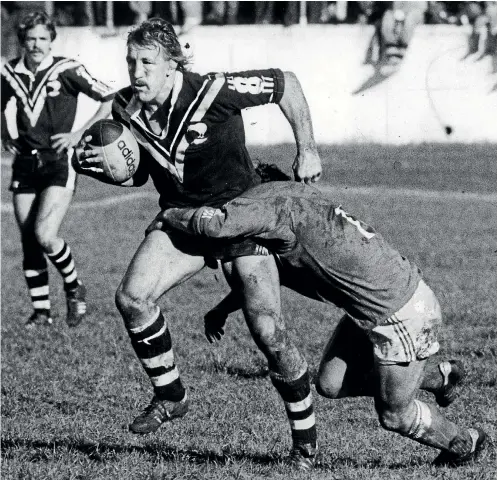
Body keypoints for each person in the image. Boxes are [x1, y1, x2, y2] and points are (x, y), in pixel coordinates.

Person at [73, 18, 322, 470]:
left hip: (241, 219)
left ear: (172, 65)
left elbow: (288, 83)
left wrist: (307, 147)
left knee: (268, 332)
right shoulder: (127, 110)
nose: (136, 71)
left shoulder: (214, 91)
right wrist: (104, 167)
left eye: (147, 62)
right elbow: (141, 174)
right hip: (184, 222)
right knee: (132, 298)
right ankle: (170, 395)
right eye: (131, 61)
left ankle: (304, 441)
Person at [153, 168, 487, 467]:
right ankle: (441, 377)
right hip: (376, 306)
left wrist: (169, 213)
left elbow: (215, 225)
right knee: (330, 383)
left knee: (395, 415)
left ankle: (465, 441)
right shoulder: (299, 198)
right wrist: (223, 309)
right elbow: (271, 277)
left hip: (400, 314)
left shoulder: (271, 208)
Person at [1, 11, 114, 328]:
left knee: (45, 235)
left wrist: (80, 133)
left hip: (58, 162)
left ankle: (74, 285)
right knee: (28, 241)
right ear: (23, 40)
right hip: (25, 162)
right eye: (30, 38)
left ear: (52, 40)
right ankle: (41, 313)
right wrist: (5, 135)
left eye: (42, 38)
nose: (36, 44)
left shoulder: (67, 69)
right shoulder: (9, 72)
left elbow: (108, 98)